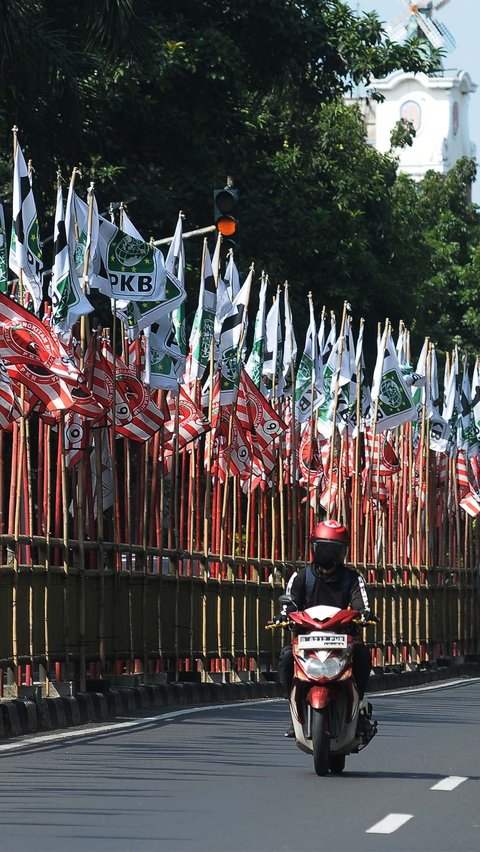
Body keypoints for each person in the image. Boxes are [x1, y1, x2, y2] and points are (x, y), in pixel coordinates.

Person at [276, 519, 373, 737]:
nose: (329, 555)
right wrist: (283, 615)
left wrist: (365, 614)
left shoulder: (352, 578)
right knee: (284, 657)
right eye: (324, 548)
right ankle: (292, 708)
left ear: (344, 552)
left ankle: (358, 705)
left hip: (343, 636)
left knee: (363, 654)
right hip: (308, 637)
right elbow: (289, 601)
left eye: (334, 550)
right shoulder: (301, 576)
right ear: (314, 548)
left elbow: (362, 604)